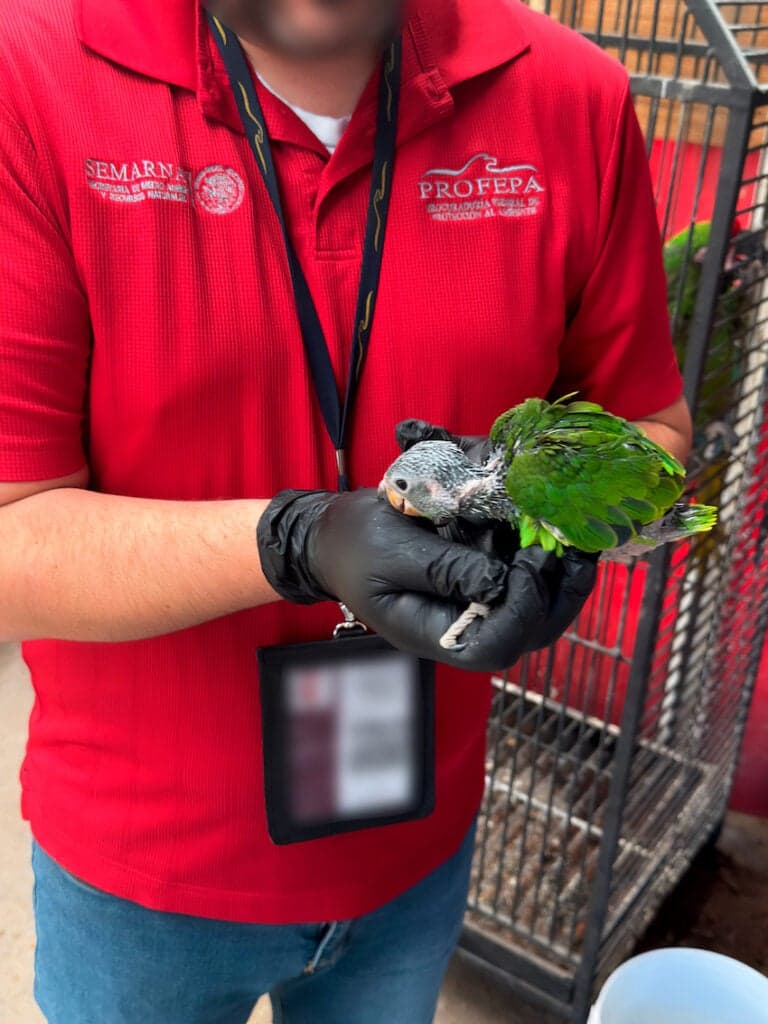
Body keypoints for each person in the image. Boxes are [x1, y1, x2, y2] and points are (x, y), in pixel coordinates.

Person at [0, 0, 692, 1021]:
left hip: (417, 846)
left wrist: (560, 531)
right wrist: (298, 540)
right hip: (138, 877)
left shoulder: (571, 94)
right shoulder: (31, 71)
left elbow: (654, 437)